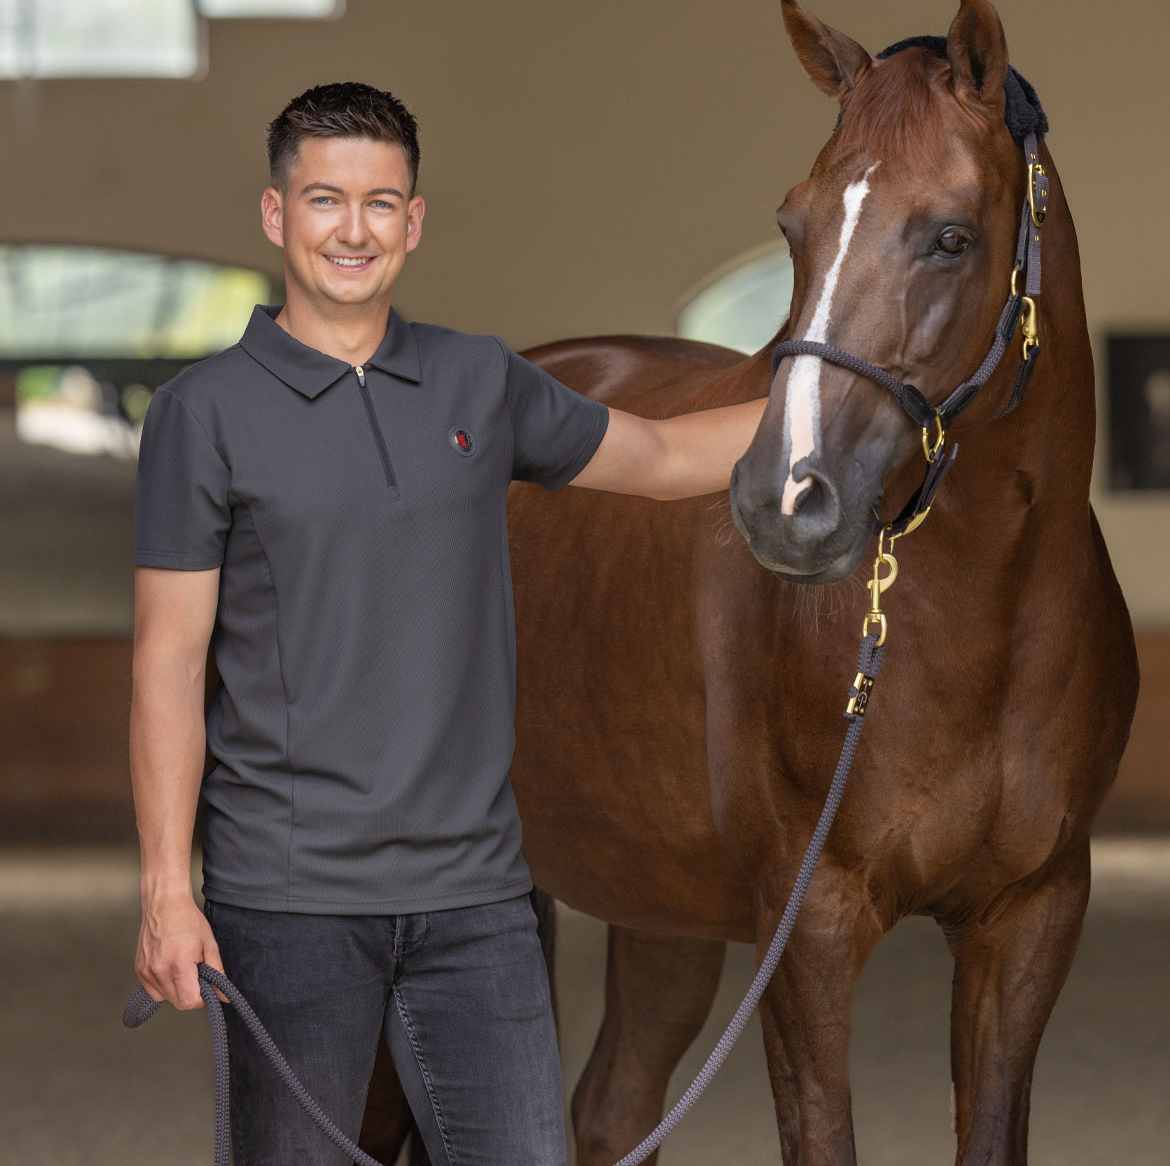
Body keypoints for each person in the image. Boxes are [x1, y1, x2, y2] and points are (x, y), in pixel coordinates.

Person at [130, 81, 765, 1166]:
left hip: (477, 903)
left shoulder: (481, 379)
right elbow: (169, 661)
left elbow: (662, 461)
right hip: (290, 902)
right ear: (278, 215)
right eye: (325, 199)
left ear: (413, 222)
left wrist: (851, 400)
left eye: (381, 204)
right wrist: (164, 891)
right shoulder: (205, 414)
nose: (354, 228)